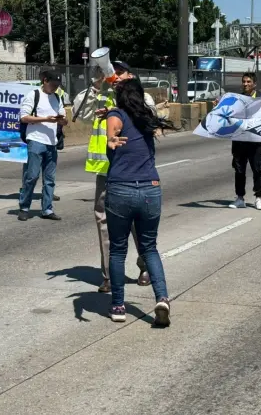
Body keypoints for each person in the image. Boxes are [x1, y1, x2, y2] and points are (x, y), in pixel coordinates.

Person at [72, 61, 167, 293]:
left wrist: (120, 110)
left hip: (133, 170)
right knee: (103, 220)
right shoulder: (100, 94)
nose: (112, 75)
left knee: (137, 222)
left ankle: (144, 265)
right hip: (106, 169)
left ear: (130, 75)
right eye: (109, 71)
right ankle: (108, 275)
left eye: (118, 72)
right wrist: (95, 85)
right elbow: (79, 113)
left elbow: (151, 116)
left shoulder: (139, 95)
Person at [104, 77, 179, 326]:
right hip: (150, 188)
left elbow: (112, 131)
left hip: (121, 189)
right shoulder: (146, 117)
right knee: (149, 248)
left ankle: (117, 306)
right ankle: (162, 298)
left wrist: (111, 139)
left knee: (117, 249)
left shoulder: (115, 115)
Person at [18, 71, 67, 221]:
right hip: (36, 140)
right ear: (45, 81)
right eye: (53, 84)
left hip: (51, 142)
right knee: (31, 176)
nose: (55, 88)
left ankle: (47, 209)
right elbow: (24, 117)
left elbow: (64, 119)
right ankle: (24, 207)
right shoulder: (33, 95)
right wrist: (45, 119)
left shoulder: (58, 97)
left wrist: (60, 120)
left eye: (57, 85)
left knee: (50, 179)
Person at [226, 72, 261, 210]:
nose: (245, 84)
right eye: (244, 81)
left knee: (257, 169)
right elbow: (226, 114)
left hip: (254, 141)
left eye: (249, 82)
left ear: (254, 84)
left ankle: (258, 197)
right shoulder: (236, 99)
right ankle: (240, 198)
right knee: (239, 170)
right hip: (239, 140)